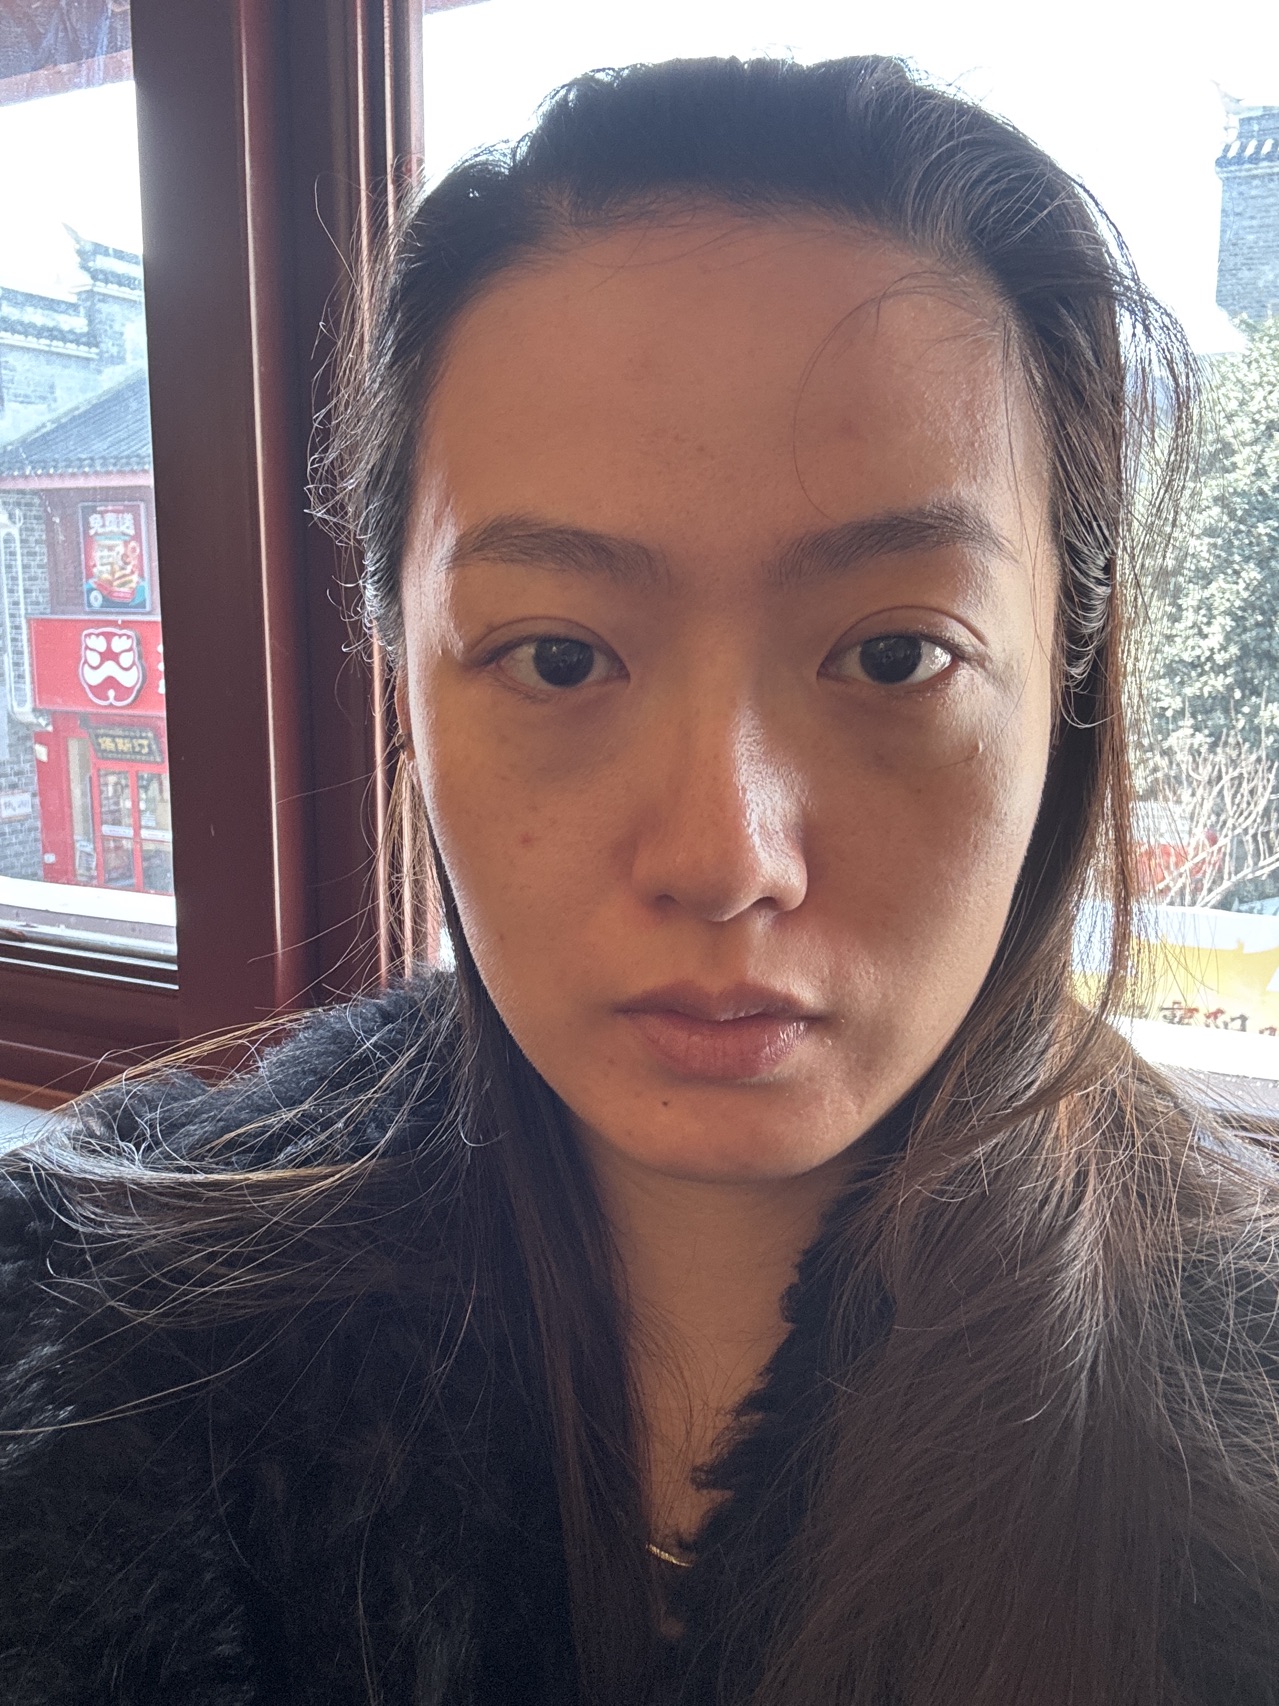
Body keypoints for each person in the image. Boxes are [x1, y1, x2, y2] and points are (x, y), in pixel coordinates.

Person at [1, 53, 1276, 1706]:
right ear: (406, 679)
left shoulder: (1241, 1419)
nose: (724, 858)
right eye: (557, 655)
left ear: (1066, 685)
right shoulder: (103, 1350)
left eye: (895, 653)